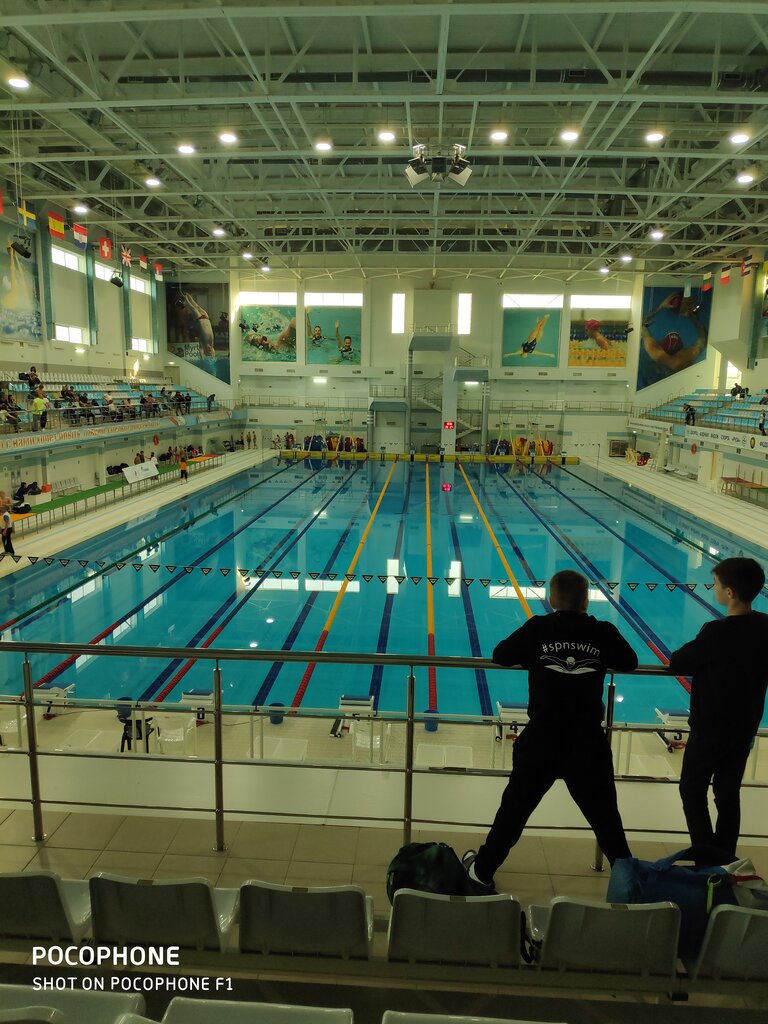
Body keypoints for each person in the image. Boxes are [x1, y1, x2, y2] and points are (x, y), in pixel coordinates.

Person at [462, 569, 638, 891]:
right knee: (606, 820)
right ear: (586, 601)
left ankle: (482, 871)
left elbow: (501, 655)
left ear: (552, 599)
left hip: (542, 738)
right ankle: (629, 885)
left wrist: (538, 657)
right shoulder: (602, 631)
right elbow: (629, 661)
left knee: (514, 812)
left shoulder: (539, 628)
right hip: (586, 742)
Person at [669, 558, 768, 860]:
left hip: (710, 729)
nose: (713, 588)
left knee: (691, 789)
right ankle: (724, 859)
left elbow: (679, 661)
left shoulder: (716, 632)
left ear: (729, 593)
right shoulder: (765, 627)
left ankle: (706, 856)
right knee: (727, 794)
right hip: (745, 728)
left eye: (716, 584)